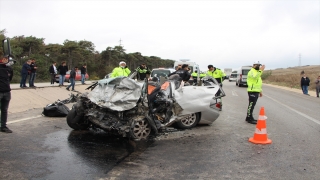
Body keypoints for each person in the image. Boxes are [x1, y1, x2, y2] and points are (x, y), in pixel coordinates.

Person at [0, 56, 13, 133]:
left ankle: (3, 126)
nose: (6, 60)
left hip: (7, 91)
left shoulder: (9, 69)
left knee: (4, 110)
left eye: (7, 59)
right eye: (5, 59)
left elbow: (10, 78)